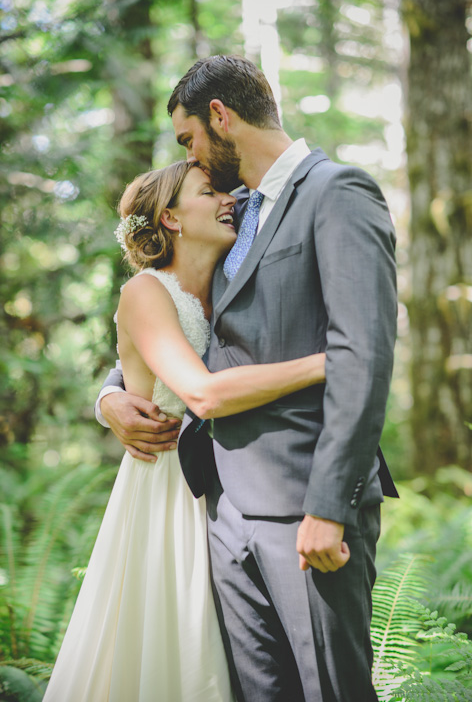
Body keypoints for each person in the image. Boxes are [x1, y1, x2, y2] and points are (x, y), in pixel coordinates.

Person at [99, 55, 398, 702]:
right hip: (220, 507)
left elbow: (363, 349)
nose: (196, 162)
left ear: (219, 116)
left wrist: (327, 504)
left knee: (329, 689)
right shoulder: (235, 224)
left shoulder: (334, 192)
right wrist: (111, 396)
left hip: (303, 502)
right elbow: (177, 327)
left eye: (189, 141)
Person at [44, 160, 327, 702]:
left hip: (238, 489)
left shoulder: (231, 284)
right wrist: (328, 364)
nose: (231, 200)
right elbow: (201, 392)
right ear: (170, 218)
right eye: (210, 191)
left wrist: (110, 396)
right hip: (169, 486)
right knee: (176, 650)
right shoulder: (146, 292)